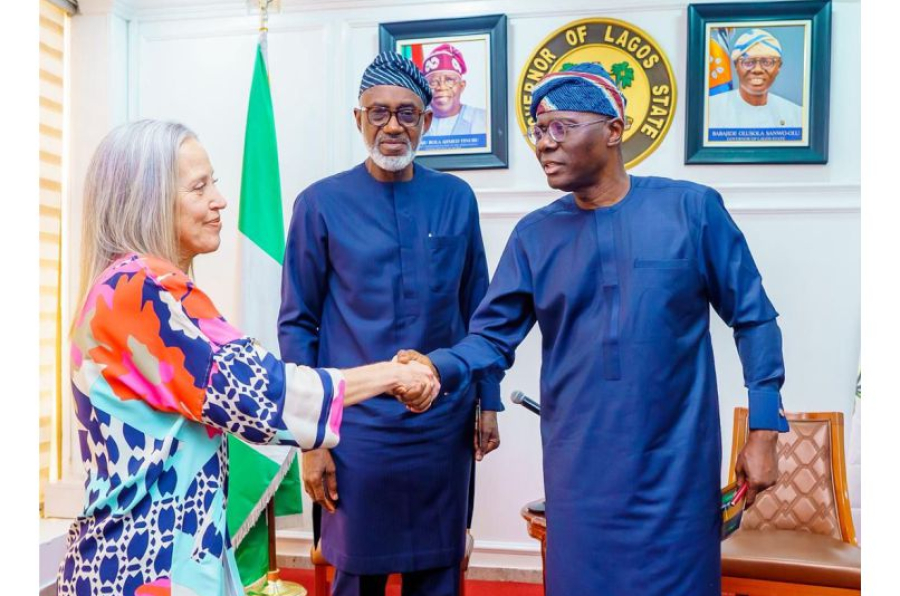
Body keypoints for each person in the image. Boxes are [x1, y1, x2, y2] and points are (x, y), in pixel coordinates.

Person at [397, 63, 790, 595]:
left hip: (676, 469)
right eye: (538, 131)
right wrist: (435, 366)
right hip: (579, 473)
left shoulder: (691, 210)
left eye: (561, 127)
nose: (544, 144)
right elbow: (491, 337)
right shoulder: (535, 235)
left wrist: (763, 430)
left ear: (612, 129)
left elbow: (754, 316)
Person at [57, 120, 439, 596]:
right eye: (200, 187)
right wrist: (394, 373)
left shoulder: (122, 285)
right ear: (148, 199)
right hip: (145, 566)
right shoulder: (140, 290)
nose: (219, 200)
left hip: (155, 557)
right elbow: (266, 397)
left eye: (213, 181)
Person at [277, 51, 501, 596]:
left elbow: (480, 310)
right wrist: (311, 440)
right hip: (354, 431)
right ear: (359, 120)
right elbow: (297, 324)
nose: (393, 126)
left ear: (427, 122)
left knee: (439, 570)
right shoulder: (319, 204)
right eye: (379, 113)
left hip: (442, 426)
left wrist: (488, 401)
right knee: (356, 574)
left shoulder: (456, 198)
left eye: (407, 113)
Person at [708, 28, 802, 130]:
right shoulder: (710, 111)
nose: (757, 69)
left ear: (779, 67)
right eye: (748, 62)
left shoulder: (798, 116)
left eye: (767, 62)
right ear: (735, 66)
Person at [421, 43, 487, 138]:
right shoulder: (415, 122)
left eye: (449, 80)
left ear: (462, 85)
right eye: (433, 82)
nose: (441, 86)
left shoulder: (483, 119)